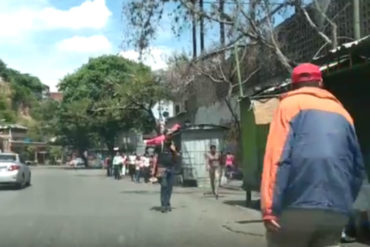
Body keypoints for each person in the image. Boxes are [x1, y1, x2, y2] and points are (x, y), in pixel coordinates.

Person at [261, 63, 365, 247]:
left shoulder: (288, 106)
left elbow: (276, 159)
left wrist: (269, 208)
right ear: (321, 83)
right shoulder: (343, 113)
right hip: (336, 210)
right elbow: (357, 168)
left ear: (293, 85)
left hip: (297, 207)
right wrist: (344, 202)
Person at [157, 131, 179, 213]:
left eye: (171, 134)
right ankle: (163, 204)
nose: (170, 136)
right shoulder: (160, 145)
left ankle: (167, 203)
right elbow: (156, 157)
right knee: (164, 186)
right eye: (169, 134)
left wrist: (174, 151)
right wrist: (154, 171)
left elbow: (177, 157)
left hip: (171, 167)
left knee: (169, 187)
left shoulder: (173, 145)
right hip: (162, 167)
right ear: (165, 135)